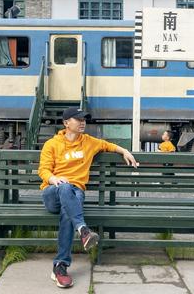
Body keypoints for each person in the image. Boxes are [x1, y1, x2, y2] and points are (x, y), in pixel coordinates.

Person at [38, 107, 138, 289]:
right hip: (52, 191)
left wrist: (124, 151)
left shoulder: (89, 142)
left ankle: (60, 266)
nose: (83, 122)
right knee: (66, 187)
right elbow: (43, 170)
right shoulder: (51, 144)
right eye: (78, 119)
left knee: (68, 211)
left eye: (84, 119)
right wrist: (54, 179)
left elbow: (109, 145)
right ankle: (83, 230)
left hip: (75, 194)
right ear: (66, 123)